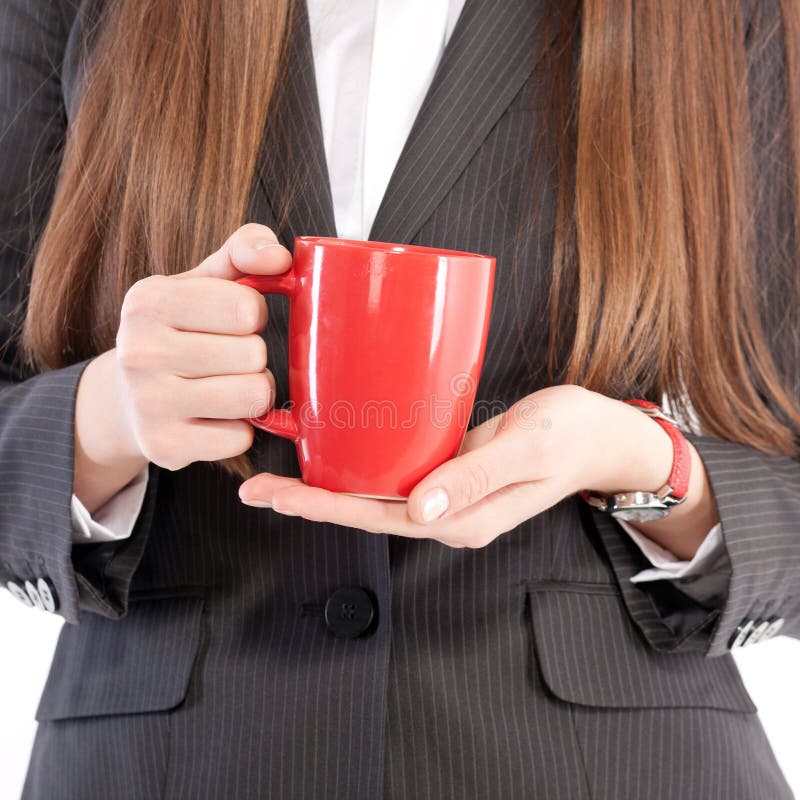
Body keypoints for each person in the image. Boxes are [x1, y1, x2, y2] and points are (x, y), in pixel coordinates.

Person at [1, 0, 798, 797]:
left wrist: (648, 468)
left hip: (611, 767)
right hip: (165, 764)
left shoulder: (720, 18)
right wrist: (103, 418)